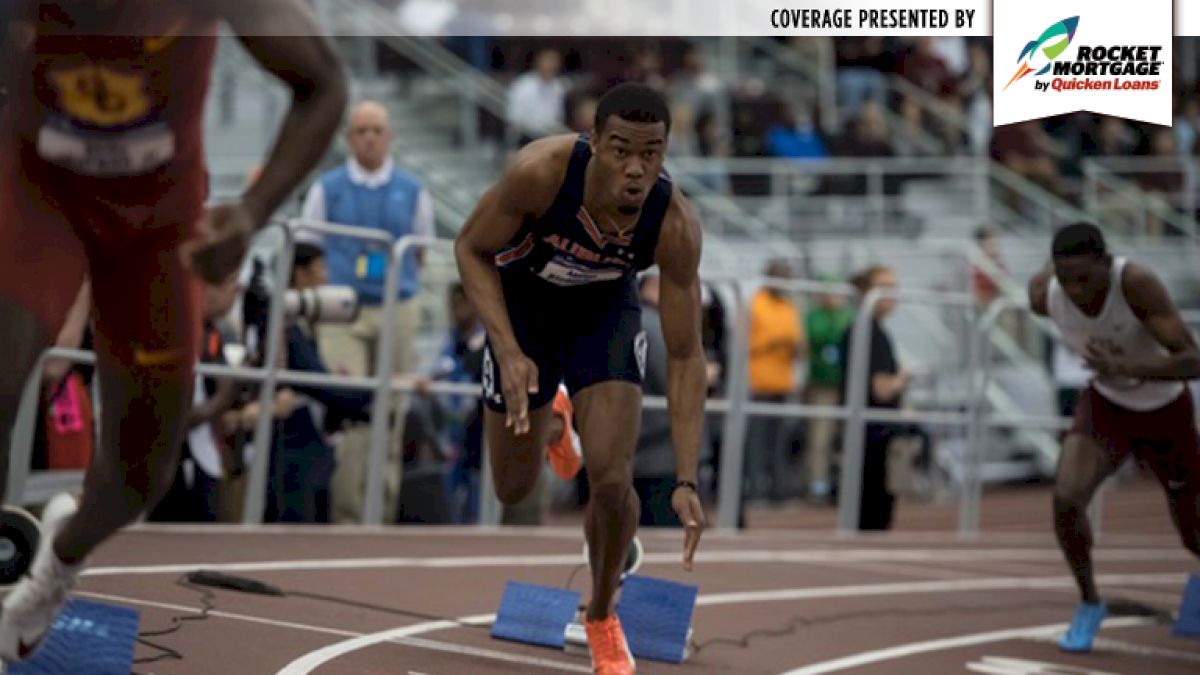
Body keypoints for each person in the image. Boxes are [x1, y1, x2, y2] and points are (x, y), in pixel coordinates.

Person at [0, 0, 347, 661]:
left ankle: (61, 557)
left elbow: (324, 84)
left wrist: (251, 211)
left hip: (157, 224)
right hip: (37, 193)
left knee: (141, 475)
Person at [454, 82, 707, 675]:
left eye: (651, 154)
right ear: (593, 142)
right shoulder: (539, 173)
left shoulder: (674, 225)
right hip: (525, 309)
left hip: (603, 314)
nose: (636, 169)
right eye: (621, 150)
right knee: (513, 490)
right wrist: (508, 349)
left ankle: (600, 613)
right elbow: (469, 247)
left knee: (613, 480)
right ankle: (552, 426)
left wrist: (687, 477)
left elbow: (687, 354)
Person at [1028, 222, 1200, 653]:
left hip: (1165, 411)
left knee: (1192, 531)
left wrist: (1128, 367)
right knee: (1067, 497)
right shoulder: (1045, 294)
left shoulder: (1136, 284)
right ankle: (1089, 602)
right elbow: (1044, 288)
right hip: (1107, 407)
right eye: (1066, 281)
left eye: (1085, 279)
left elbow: (1193, 361)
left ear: (1106, 262)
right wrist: (1114, 376)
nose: (1077, 291)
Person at [301, 99, 435, 525]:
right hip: (344, 310)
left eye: (377, 130)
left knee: (392, 413)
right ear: (349, 138)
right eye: (362, 130)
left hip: (398, 306)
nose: (371, 138)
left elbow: (421, 253)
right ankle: (348, 515)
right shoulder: (327, 188)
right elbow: (308, 248)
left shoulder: (414, 190)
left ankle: (382, 514)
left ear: (390, 136)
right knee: (351, 408)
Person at [841, 265, 909, 530]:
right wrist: (903, 377)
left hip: (865, 433)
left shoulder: (859, 329)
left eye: (894, 287)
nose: (892, 294)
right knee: (873, 520)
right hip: (875, 434)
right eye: (885, 287)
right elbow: (882, 388)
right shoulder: (871, 333)